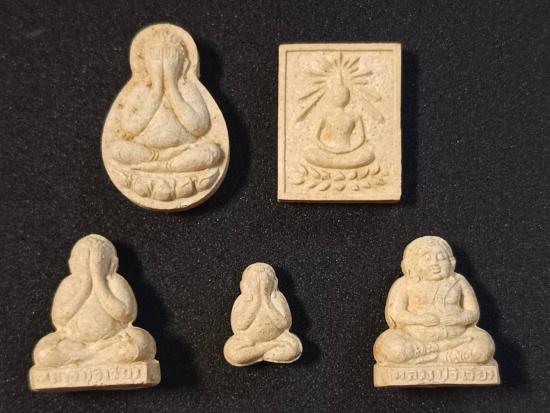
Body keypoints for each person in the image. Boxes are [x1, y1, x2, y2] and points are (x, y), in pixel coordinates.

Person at [33, 235, 156, 367]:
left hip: (113, 339)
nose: (90, 267)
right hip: (74, 343)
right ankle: (93, 356)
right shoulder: (68, 284)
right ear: (72, 264)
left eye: (96, 263)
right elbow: (59, 318)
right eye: (85, 262)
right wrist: (85, 285)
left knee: (142, 343)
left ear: (112, 264)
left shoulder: (115, 281)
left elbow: (125, 315)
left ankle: (85, 360)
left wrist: (99, 281)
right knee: (43, 353)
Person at [108, 31, 221, 173]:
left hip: (184, 150)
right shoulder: (140, 90)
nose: (162, 63)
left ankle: (168, 166)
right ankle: (160, 160)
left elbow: (200, 127)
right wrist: (156, 92)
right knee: (116, 149)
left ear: (184, 65)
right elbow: (129, 128)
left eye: (170, 57)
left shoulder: (187, 88)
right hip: (145, 152)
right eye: (155, 56)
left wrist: (172, 88)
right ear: (144, 65)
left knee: (212, 152)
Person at [374, 236, 495, 365]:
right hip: (414, 339)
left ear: (451, 262)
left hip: (459, 337)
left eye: (441, 257)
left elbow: (473, 312)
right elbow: (396, 313)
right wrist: (419, 319)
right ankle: (434, 351)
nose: (435, 263)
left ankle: (440, 358)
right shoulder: (405, 284)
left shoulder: (459, 281)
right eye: (427, 258)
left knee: (484, 347)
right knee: (389, 347)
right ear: (413, 264)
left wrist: (459, 319)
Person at [224, 263, 302, 366]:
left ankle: (259, 352)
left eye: (265, 282)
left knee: (294, 347)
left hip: (278, 337)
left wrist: (266, 300)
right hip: (248, 341)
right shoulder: (243, 300)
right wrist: (256, 301)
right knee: (232, 352)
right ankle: (267, 348)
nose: (261, 286)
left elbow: (284, 324)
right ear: (244, 286)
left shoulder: (277, 298)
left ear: (274, 283)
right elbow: (240, 326)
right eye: (254, 282)